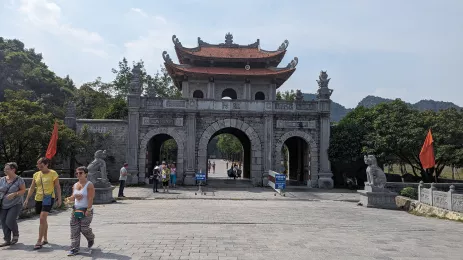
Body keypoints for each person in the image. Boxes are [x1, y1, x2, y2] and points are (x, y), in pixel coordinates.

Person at [23, 157, 62, 250]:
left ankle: (39, 241)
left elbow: (57, 187)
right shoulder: (36, 174)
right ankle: (45, 239)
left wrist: (59, 199)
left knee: (42, 218)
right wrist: (27, 199)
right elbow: (32, 188)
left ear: (46, 164)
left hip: (48, 198)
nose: (39, 167)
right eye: (38, 166)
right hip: (38, 198)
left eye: (41, 166)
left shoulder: (53, 173)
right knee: (43, 219)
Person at [66, 166, 95, 256]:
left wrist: (88, 210)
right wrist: (69, 199)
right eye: (77, 173)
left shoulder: (89, 184)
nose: (78, 174)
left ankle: (90, 238)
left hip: (86, 210)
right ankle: (74, 248)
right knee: (74, 229)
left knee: (84, 228)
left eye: (81, 173)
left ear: (85, 174)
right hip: (75, 210)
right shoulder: (75, 185)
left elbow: (90, 198)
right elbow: (71, 197)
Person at [0, 162, 26, 247]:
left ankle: (15, 234)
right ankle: (7, 240)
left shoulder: (19, 179)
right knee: (3, 222)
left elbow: (23, 190)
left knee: (9, 220)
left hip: (15, 203)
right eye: (5, 168)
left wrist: (14, 194)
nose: (5, 170)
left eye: (7, 169)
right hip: (3, 203)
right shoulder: (2, 179)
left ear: (13, 170)